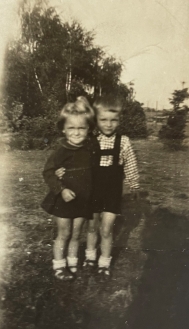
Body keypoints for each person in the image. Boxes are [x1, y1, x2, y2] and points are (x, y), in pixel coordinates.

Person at [56, 95, 140, 279]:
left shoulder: (123, 141)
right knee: (92, 227)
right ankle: (90, 257)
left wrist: (134, 185)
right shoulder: (90, 140)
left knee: (107, 229)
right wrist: (62, 170)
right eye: (103, 120)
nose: (108, 124)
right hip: (92, 190)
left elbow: (131, 165)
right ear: (96, 120)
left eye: (113, 120)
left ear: (119, 120)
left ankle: (104, 263)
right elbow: (74, 156)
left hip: (112, 192)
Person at [41, 98, 94, 281]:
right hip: (64, 199)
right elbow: (48, 172)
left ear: (88, 129)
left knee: (77, 233)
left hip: (83, 199)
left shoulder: (90, 148)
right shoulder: (61, 151)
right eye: (71, 128)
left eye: (82, 128)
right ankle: (59, 265)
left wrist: (84, 104)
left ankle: (72, 263)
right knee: (64, 233)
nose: (77, 133)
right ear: (63, 129)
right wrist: (61, 188)